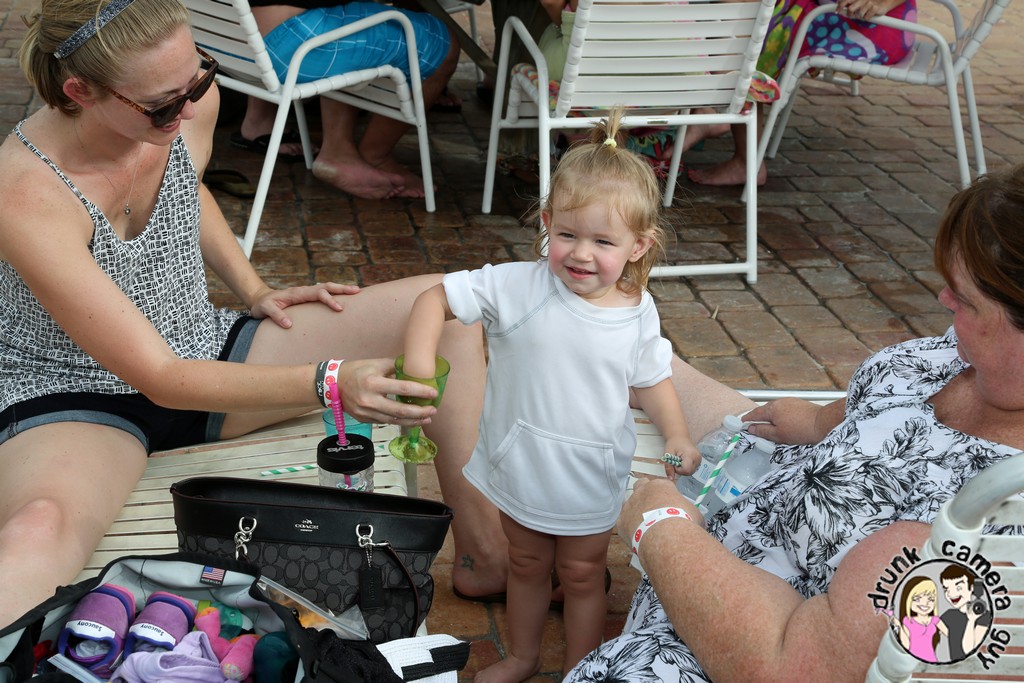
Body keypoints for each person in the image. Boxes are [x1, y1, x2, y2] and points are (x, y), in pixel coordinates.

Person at [0, 0, 490, 629]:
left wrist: (254, 288)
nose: (188, 108)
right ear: (80, 92)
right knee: (39, 529)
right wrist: (331, 382)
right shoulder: (24, 192)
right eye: (162, 105)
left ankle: (486, 559)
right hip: (79, 396)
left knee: (451, 310)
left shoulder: (186, 104)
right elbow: (160, 378)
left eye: (197, 78)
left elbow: (187, 183)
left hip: (203, 348)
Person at [560, 163, 1024, 682]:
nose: (944, 300)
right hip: (770, 478)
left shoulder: (991, 527)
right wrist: (819, 419)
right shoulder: (971, 358)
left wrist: (658, 528)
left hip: (711, 649)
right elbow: (884, 412)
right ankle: (625, 358)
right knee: (630, 366)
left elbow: (793, 667)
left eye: (966, 300)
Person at [399, 111, 701, 682]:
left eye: (602, 241)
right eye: (567, 235)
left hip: (590, 472)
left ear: (639, 246)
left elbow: (651, 380)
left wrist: (678, 433)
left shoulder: (638, 311)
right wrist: (418, 360)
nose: (581, 253)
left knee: (584, 574)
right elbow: (434, 298)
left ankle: (582, 668)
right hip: (522, 464)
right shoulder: (519, 286)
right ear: (546, 224)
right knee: (526, 563)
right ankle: (523, 656)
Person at [231, 0, 460, 199]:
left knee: (349, 13)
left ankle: (339, 149)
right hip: (287, 47)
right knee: (445, 45)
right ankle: (375, 156)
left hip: (232, 42)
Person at [685, 0, 917, 186]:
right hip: (830, 12)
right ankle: (714, 108)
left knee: (758, 25)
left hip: (870, 23)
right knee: (749, 13)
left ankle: (718, 114)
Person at [939, 564, 991, 661]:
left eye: (958, 588)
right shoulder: (949, 615)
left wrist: (971, 620)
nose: (951, 594)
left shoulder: (983, 616)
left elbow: (968, 650)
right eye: (946, 589)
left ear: (971, 587)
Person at [893, 576, 945, 662]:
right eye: (917, 599)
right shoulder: (908, 621)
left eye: (931, 599)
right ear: (908, 600)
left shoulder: (935, 620)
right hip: (912, 661)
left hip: (931, 660)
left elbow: (952, 635)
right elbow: (906, 645)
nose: (925, 603)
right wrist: (898, 626)